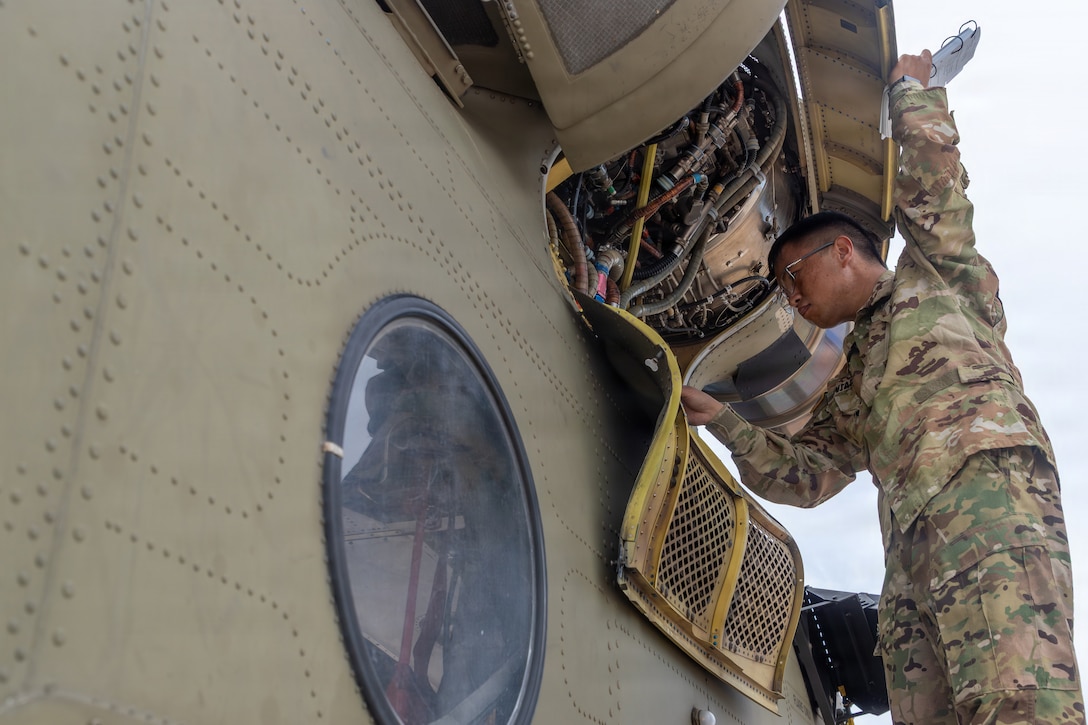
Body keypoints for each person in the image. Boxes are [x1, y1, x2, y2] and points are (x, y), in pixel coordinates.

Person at [681, 51, 1083, 724]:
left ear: (841, 252)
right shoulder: (858, 378)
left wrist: (909, 94)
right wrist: (721, 418)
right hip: (911, 557)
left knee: (1017, 701)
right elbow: (807, 474)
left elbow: (936, 190)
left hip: (983, 506)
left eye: (792, 276)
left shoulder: (938, 280)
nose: (790, 297)